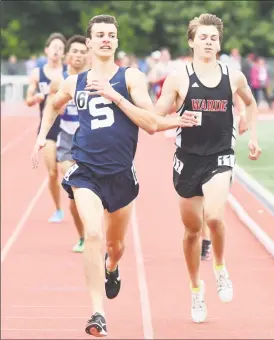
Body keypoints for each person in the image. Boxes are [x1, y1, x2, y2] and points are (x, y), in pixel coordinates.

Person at [31, 15, 196, 337]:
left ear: (116, 42)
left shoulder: (131, 78)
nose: (106, 39)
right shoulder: (74, 82)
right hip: (85, 170)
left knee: (115, 244)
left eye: (111, 35)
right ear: (89, 42)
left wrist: (117, 97)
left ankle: (111, 266)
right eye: (100, 35)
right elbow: (53, 104)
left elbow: (150, 122)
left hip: (120, 174)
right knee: (92, 233)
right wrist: (41, 135)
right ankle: (97, 313)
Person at [154, 13, 262, 323]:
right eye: (203, 37)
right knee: (190, 231)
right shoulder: (178, 78)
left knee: (214, 216)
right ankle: (196, 289)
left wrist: (250, 133)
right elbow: (156, 116)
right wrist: (175, 119)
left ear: (219, 42)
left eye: (213, 38)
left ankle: (219, 268)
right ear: (191, 41)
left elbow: (251, 103)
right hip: (187, 160)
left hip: (220, 156)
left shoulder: (233, 76)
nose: (208, 42)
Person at [49, 35, 89, 252]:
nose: (79, 55)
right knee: (74, 192)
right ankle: (83, 236)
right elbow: (50, 107)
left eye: (83, 52)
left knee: (94, 194)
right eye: (75, 51)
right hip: (66, 140)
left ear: (88, 55)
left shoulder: (95, 80)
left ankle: (94, 230)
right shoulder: (59, 81)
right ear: (67, 56)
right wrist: (57, 109)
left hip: (91, 141)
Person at [26, 32, 67, 223]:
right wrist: (36, 98)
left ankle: (78, 203)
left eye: (60, 48)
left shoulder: (68, 73)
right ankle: (58, 208)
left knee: (66, 168)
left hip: (68, 125)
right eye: (54, 47)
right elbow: (28, 100)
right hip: (48, 125)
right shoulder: (37, 73)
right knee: (52, 172)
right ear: (46, 50)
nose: (57, 51)